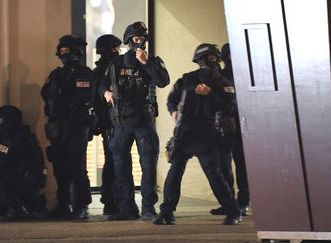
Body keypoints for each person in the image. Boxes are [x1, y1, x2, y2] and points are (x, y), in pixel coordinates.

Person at [153, 43, 241, 225]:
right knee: (175, 172)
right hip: (185, 132)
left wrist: (210, 94)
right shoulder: (186, 79)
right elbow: (172, 100)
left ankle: (233, 211)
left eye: (215, 58)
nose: (213, 61)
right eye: (210, 57)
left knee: (214, 174)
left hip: (208, 134)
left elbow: (230, 107)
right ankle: (167, 212)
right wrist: (173, 113)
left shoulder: (222, 82)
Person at [99, 21, 170, 221]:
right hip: (121, 121)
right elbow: (101, 85)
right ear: (129, 41)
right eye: (136, 39)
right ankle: (127, 208)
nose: (139, 42)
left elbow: (163, 81)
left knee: (148, 164)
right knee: (121, 166)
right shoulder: (116, 63)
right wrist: (105, 92)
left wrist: (146, 63)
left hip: (143, 120)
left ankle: (148, 208)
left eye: (142, 38)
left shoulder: (152, 61)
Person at [41, 34, 94, 219]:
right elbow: (46, 94)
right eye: (61, 51)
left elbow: (83, 96)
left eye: (67, 50)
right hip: (58, 124)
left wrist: (65, 100)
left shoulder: (84, 73)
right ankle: (63, 203)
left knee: (76, 164)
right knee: (59, 165)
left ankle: (82, 204)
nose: (63, 54)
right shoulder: (56, 74)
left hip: (76, 125)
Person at [0, 105, 48, 221]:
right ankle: (31, 206)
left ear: (8, 121)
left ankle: (18, 209)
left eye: (0, 120)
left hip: (25, 183)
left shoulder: (10, 140)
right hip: (34, 182)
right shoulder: (26, 135)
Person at [210, 43, 250, 216]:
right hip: (228, 124)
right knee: (226, 164)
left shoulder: (241, 74)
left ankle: (241, 202)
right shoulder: (221, 75)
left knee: (239, 164)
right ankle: (232, 202)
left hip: (238, 123)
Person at [92, 34, 125, 215]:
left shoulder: (111, 68)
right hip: (110, 122)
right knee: (114, 161)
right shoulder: (103, 71)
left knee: (114, 161)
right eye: (114, 49)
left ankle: (112, 199)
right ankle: (111, 200)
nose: (117, 52)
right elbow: (97, 101)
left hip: (114, 121)